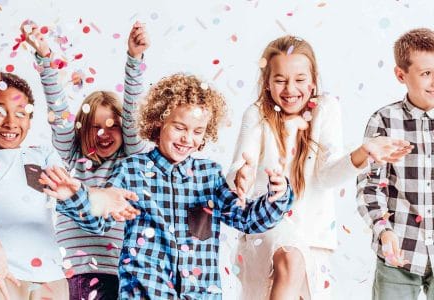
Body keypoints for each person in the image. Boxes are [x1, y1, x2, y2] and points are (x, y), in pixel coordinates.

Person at [41, 73, 294, 299]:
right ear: (159, 121)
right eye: (179, 127)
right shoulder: (132, 170)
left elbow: (248, 220)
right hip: (146, 292)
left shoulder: (210, 176)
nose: (187, 138)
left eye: (198, 131)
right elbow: (101, 219)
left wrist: (277, 195)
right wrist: (73, 196)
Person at [227, 36, 412, 300]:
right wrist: (240, 176)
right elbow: (237, 166)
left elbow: (326, 174)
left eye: (300, 79)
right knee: (290, 258)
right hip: (268, 229)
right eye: (280, 80)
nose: (290, 88)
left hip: (313, 236)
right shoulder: (257, 114)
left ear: (313, 81)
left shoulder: (326, 109)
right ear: (267, 83)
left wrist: (363, 152)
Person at [21, 20, 150, 299]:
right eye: (95, 127)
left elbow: (133, 113)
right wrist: (44, 58)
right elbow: (58, 109)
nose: (104, 133)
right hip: (75, 273)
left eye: (112, 125)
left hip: (121, 273)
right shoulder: (72, 153)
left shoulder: (130, 161)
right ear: (82, 130)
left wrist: (135, 58)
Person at [0, 71, 69, 299]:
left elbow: (68, 194)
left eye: (21, 114)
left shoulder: (43, 155)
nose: (11, 123)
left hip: (49, 276)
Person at [357, 28, 434, 300]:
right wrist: (383, 230)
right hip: (399, 251)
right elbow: (369, 186)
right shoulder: (384, 121)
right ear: (401, 75)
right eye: (426, 73)